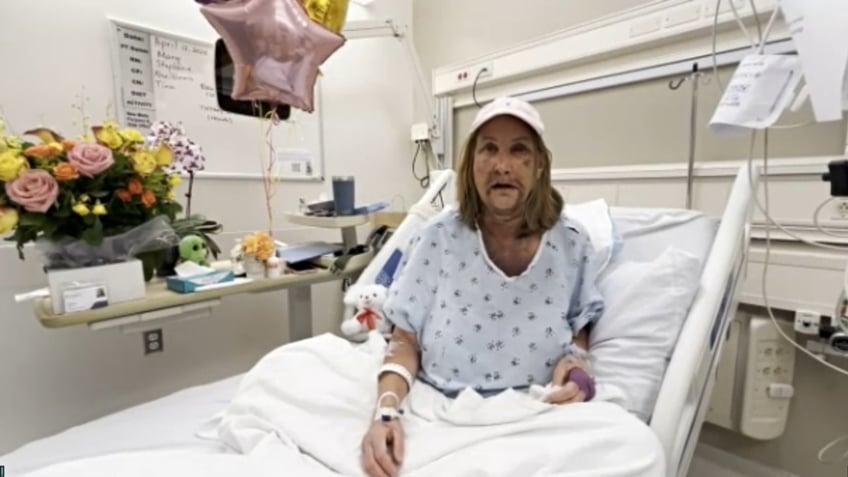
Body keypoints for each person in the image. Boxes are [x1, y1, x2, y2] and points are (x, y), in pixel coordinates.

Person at [360, 97, 605, 477]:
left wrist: (577, 369)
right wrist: (387, 409)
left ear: (539, 164)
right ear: (471, 164)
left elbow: (580, 325)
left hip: (537, 413)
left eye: (518, 150)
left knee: (640, 449)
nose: (502, 165)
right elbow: (404, 341)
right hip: (438, 408)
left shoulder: (571, 244)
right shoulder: (437, 239)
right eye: (488, 149)